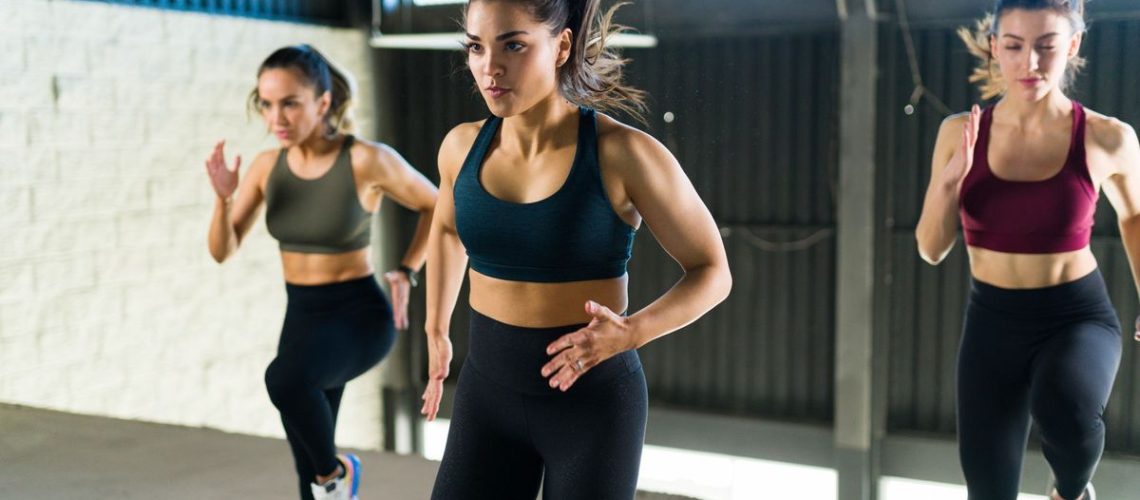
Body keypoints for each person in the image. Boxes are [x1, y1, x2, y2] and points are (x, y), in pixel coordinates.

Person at [420, 0, 733, 498]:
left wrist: (632, 332)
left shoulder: (623, 153)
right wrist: (436, 326)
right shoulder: (460, 147)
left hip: (591, 408)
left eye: (513, 45)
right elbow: (447, 230)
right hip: (487, 394)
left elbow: (712, 270)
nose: (489, 67)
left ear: (562, 45)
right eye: (476, 47)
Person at [916, 1, 1140, 498]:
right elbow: (931, 249)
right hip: (991, 323)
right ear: (995, 47)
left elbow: (1135, 215)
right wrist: (948, 185)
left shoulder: (1107, 138)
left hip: (1075, 315)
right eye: (1014, 47)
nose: (1030, 63)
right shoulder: (957, 133)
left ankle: (1071, 491)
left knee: (1069, 414)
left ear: (1074, 46)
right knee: (989, 489)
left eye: (1047, 46)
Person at [204, 44, 438, 500]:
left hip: (359, 317)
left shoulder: (366, 159)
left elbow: (439, 206)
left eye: (290, 102)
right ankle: (327, 479)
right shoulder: (266, 167)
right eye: (267, 104)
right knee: (304, 462)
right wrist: (223, 199)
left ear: (323, 102)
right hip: (302, 318)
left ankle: (337, 475)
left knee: (284, 382)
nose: (277, 118)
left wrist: (406, 270)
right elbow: (221, 251)